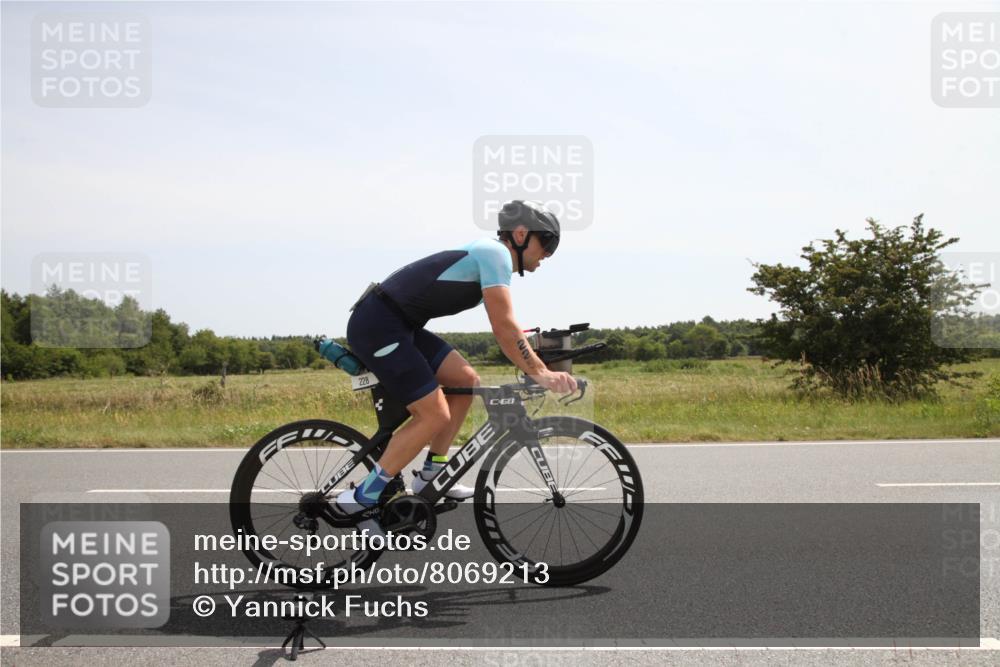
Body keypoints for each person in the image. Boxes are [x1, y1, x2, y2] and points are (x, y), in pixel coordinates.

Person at [337, 200, 577, 523]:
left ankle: (432, 473)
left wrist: (535, 357)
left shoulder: (492, 257)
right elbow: (504, 327)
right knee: (434, 414)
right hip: (379, 324)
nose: (546, 255)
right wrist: (541, 372)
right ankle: (363, 496)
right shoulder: (496, 255)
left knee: (466, 380)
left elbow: (508, 328)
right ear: (520, 234)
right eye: (546, 243)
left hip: (400, 324)